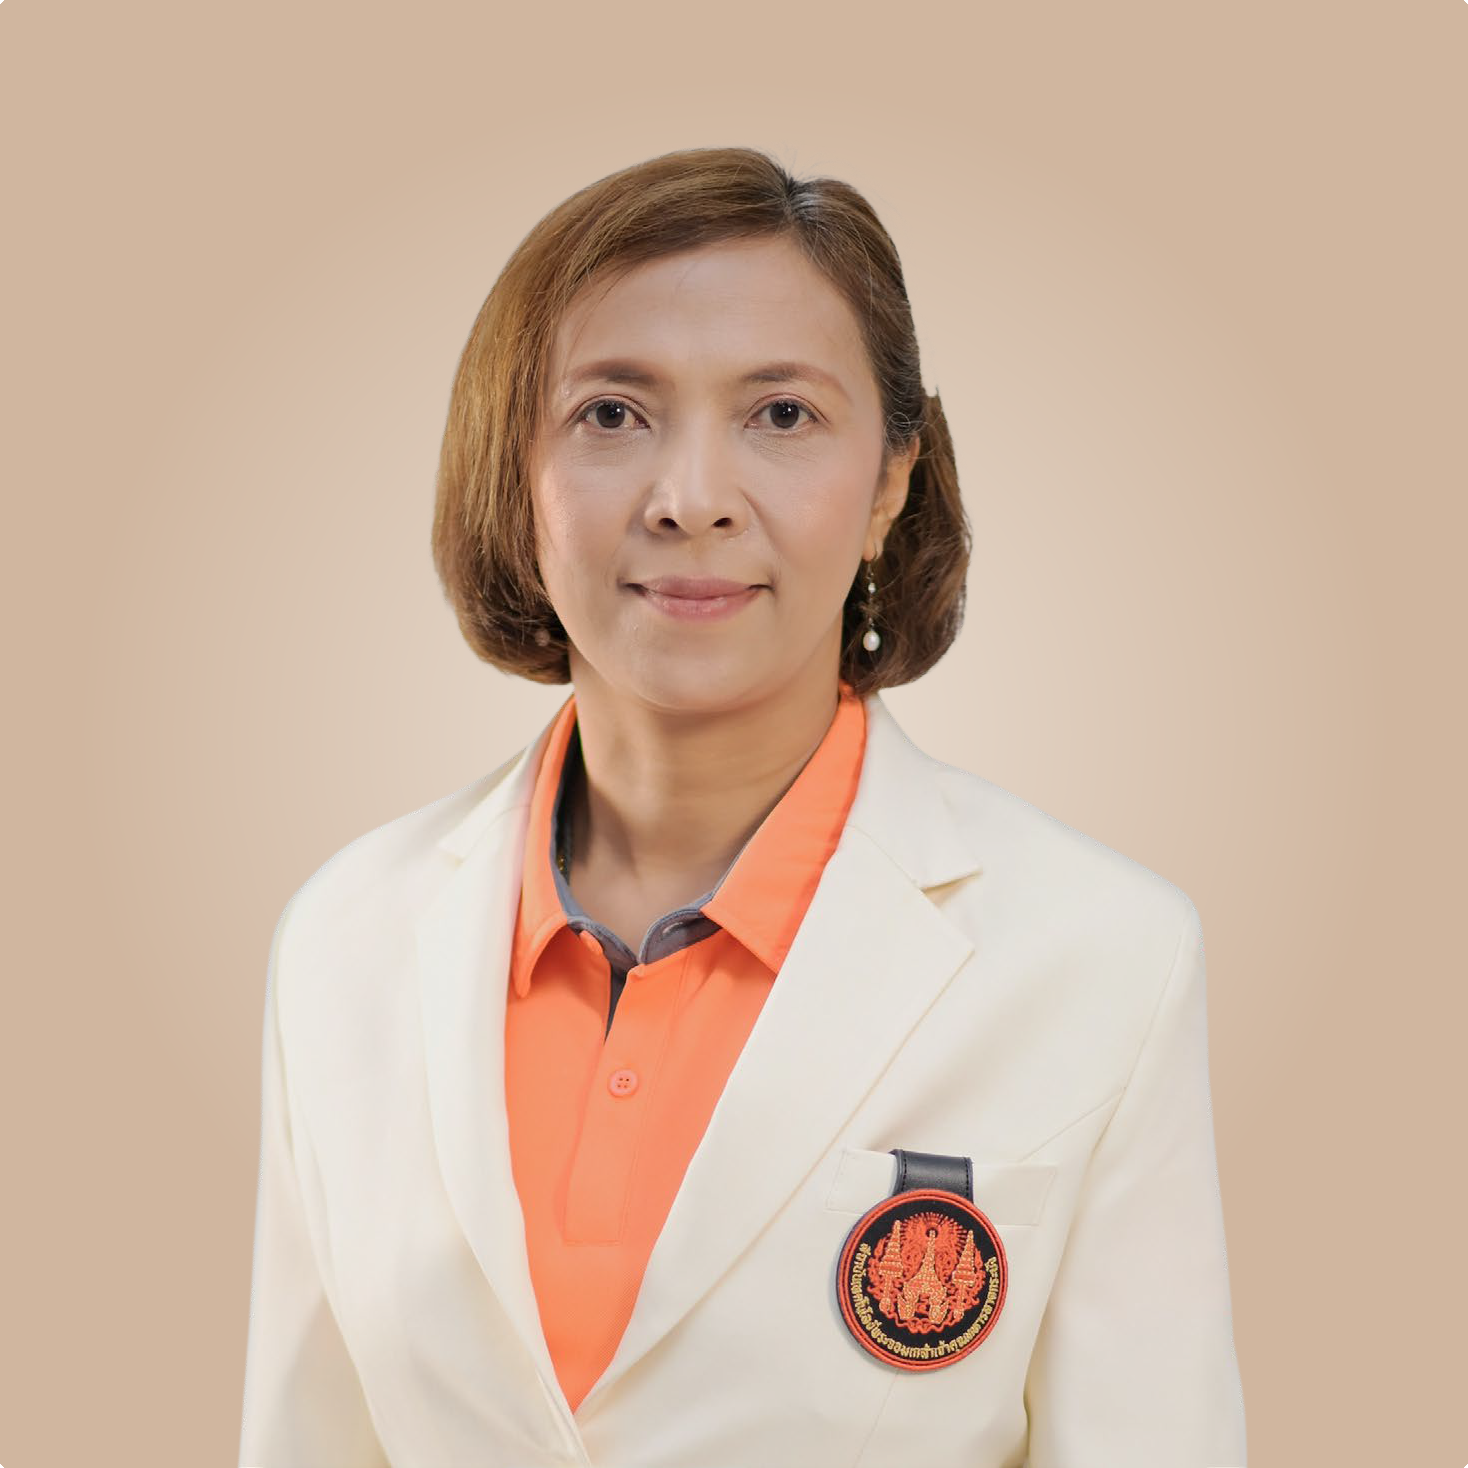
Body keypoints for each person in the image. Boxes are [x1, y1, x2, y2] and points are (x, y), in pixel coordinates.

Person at [238, 146, 1247, 1468]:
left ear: (892, 479)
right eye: (612, 415)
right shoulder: (343, 940)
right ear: (514, 475)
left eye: (782, 415)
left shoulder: (1104, 957)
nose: (693, 501)